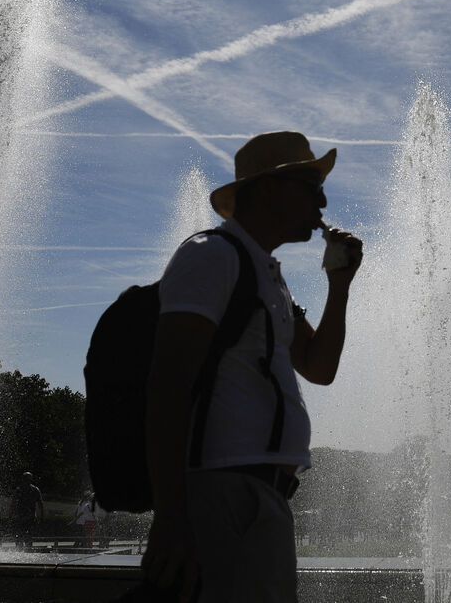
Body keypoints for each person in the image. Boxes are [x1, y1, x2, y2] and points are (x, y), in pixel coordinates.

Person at [142, 131, 363, 602]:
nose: (322, 200)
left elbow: (319, 367)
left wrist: (339, 286)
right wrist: (171, 517)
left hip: (260, 492)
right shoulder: (210, 255)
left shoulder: (267, 275)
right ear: (267, 189)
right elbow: (166, 387)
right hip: (224, 488)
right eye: (310, 185)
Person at [9, 471, 44, 549]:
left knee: (18, 533)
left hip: (20, 516)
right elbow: (40, 504)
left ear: (22, 479)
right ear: (31, 479)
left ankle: (19, 549)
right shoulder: (35, 489)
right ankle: (28, 549)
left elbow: (13, 503)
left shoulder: (19, 489)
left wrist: (10, 515)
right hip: (30, 516)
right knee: (29, 534)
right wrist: (41, 516)